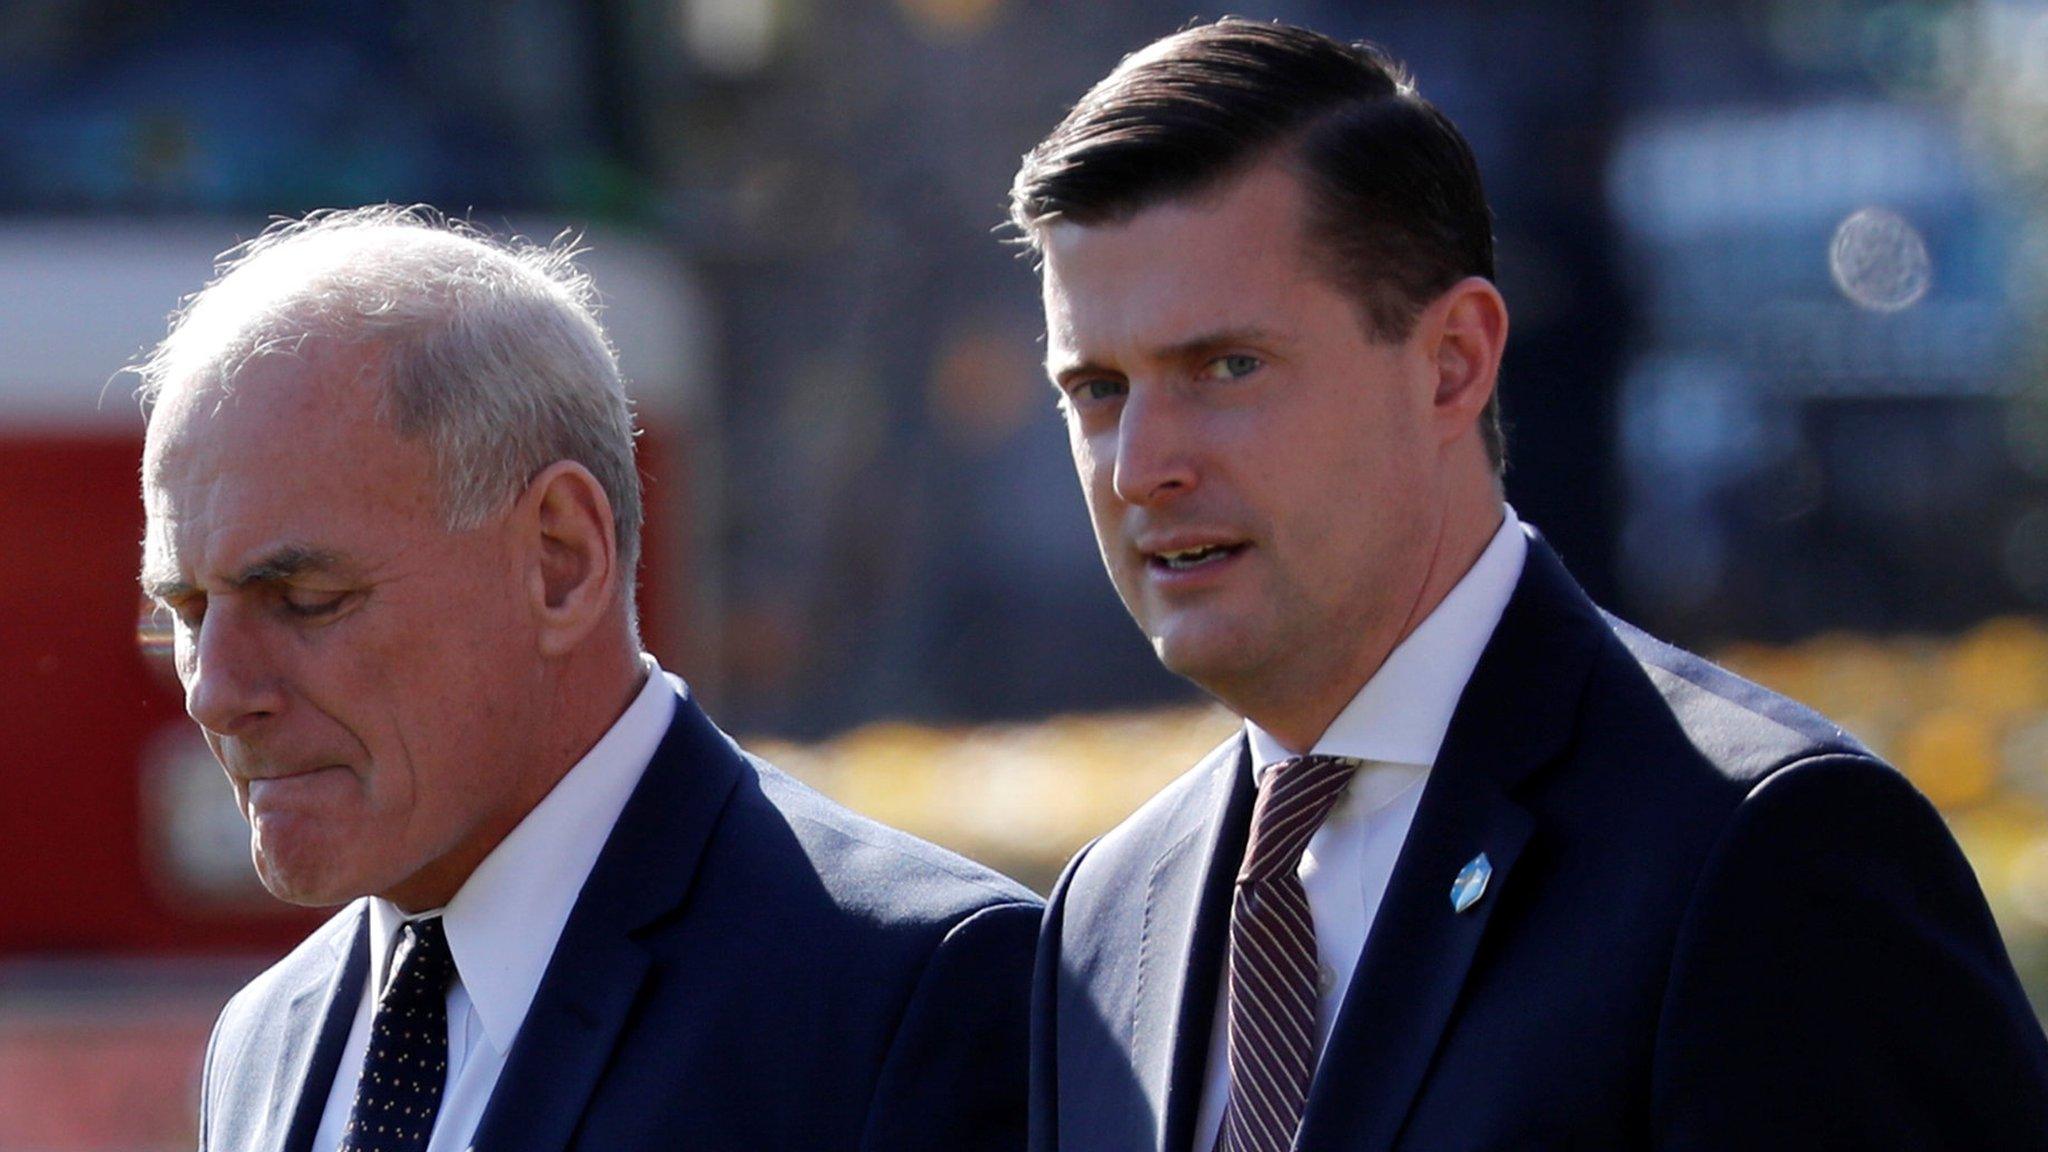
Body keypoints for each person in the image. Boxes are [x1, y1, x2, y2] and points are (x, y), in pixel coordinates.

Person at [1008, 18, 2048, 1151]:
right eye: (1097, 387)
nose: (1141, 464)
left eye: (1226, 366)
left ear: (1451, 362)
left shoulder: (1767, 855)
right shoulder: (1108, 920)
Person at [137, 206, 1038, 1152]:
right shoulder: (264, 1040)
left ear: (560, 560)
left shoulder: (909, 992)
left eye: (304, 597)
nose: (215, 692)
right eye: (189, 611)